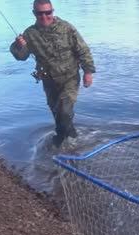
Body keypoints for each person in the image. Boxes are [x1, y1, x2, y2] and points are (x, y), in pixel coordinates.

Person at [10, 0, 96, 147]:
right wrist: (17, 45)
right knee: (57, 113)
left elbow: (83, 50)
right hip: (48, 81)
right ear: (34, 14)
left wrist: (88, 72)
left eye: (47, 12)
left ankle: (70, 143)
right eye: (40, 13)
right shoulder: (30, 33)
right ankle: (66, 139)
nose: (44, 16)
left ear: (52, 11)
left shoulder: (66, 28)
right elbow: (22, 56)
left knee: (65, 112)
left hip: (69, 79)